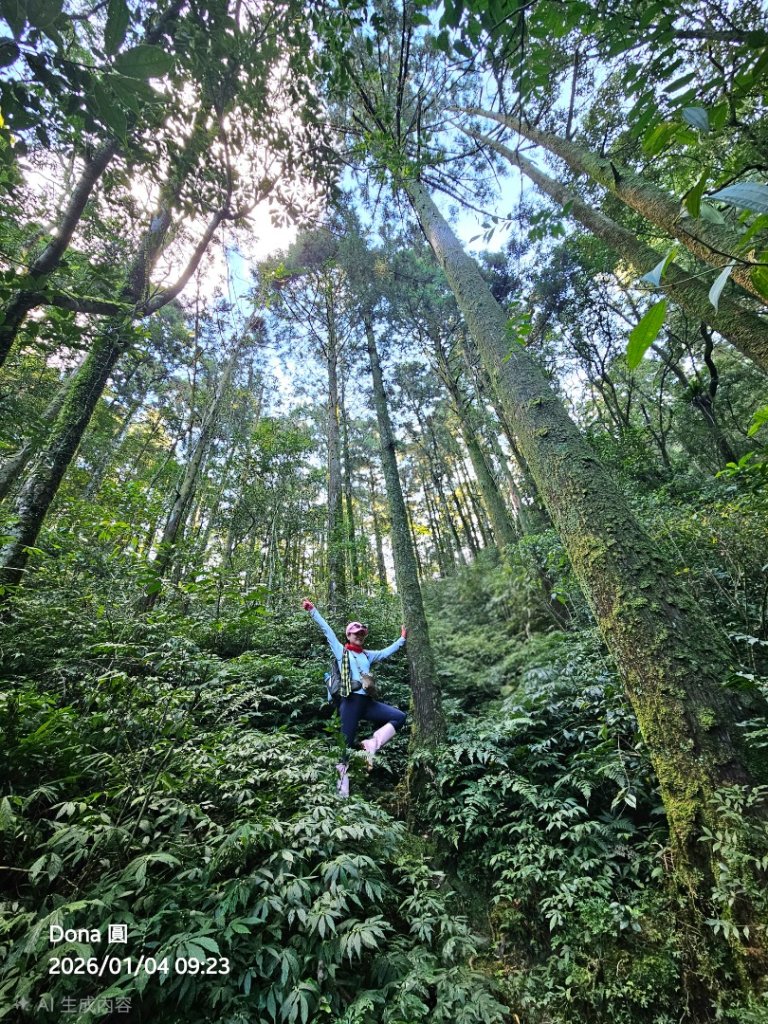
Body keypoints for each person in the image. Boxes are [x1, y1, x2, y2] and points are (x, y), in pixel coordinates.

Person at [301, 598, 408, 797]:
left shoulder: (367, 655)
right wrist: (313, 611)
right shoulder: (341, 651)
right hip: (350, 702)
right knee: (344, 749)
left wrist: (402, 639)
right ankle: (342, 795)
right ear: (348, 635)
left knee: (399, 717)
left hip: (367, 703)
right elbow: (327, 631)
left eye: (362, 634)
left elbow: (385, 653)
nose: (359, 636)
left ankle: (371, 744)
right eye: (356, 633)